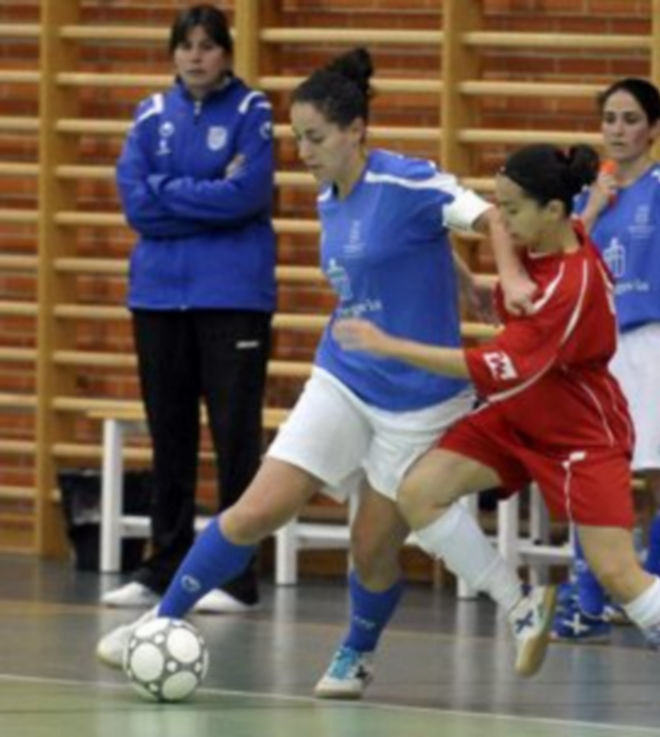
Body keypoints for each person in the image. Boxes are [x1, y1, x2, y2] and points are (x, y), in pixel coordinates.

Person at [96, 46, 511, 699]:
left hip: (421, 399)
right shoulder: (327, 195)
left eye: (315, 138)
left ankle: (356, 652)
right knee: (256, 508)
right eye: (297, 139)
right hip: (344, 375)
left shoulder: (406, 180)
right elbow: (397, 250)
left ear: (355, 131)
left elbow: (481, 215)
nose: (304, 151)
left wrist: (498, 279)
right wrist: (459, 281)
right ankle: (158, 619)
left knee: (371, 546)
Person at [333, 142, 660, 721]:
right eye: (501, 209)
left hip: (579, 432)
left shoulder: (566, 286)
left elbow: (490, 365)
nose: (504, 220)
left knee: (617, 571)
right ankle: (521, 607)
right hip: (516, 417)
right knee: (419, 492)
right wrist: (479, 265)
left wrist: (386, 344)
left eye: (514, 210)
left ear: (552, 211)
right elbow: (517, 247)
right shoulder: (547, 242)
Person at [101, 4, 277, 614]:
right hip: (156, 296)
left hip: (233, 295)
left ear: (226, 53)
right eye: (186, 45)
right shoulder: (150, 115)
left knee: (234, 436)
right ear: (174, 53)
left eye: (208, 45)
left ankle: (235, 574)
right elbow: (136, 206)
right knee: (168, 435)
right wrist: (206, 194)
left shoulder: (253, 111)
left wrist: (169, 190)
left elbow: (247, 194)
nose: (196, 55)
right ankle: (163, 566)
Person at [540, 79, 660, 642]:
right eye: (610, 119)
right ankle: (586, 605)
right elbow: (554, 261)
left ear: (655, 128)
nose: (617, 130)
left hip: (656, 346)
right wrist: (590, 211)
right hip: (596, 351)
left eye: (630, 118)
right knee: (594, 475)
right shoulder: (589, 196)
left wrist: (653, 299)